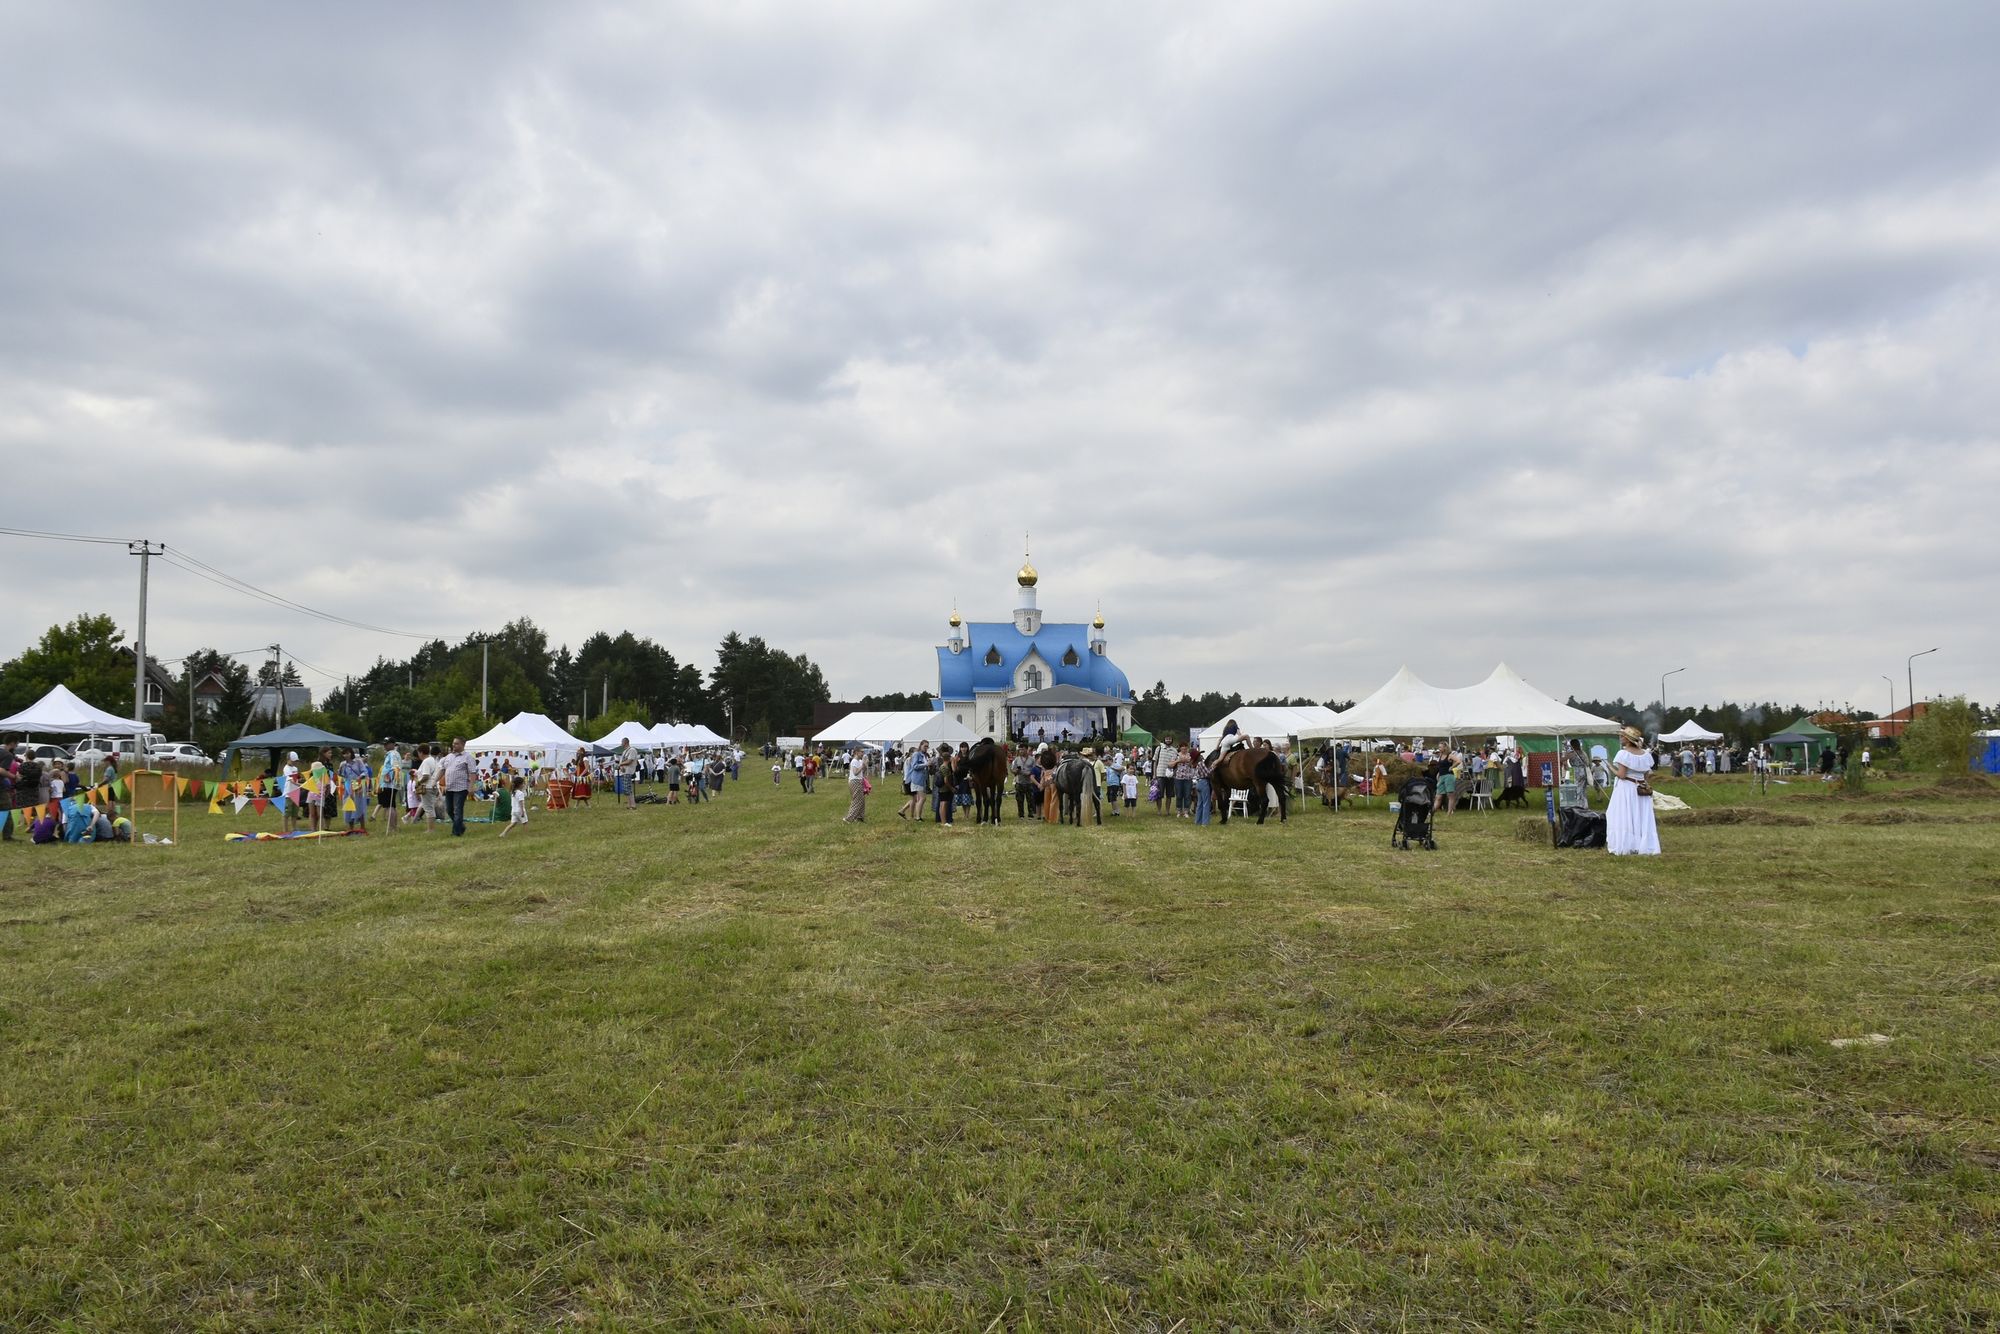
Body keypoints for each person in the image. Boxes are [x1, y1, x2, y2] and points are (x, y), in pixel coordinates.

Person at [1607, 724, 1662, 856]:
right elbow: (1646, 775)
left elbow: (1621, 775)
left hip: (1626, 788)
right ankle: (1641, 844)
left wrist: (1610, 767)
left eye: (1622, 736)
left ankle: (1627, 844)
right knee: (1640, 816)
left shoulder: (1623, 754)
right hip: (1641, 788)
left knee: (1625, 815)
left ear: (1628, 739)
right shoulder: (1645, 755)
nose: (1620, 738)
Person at [438, 738, 475, 836]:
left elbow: (472, 773)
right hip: (449, 787)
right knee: (449, 810)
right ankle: (460, 826)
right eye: (453, 743)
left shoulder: (468, 757)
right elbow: (442, 770)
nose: (454, 745)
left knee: (458, 810)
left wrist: (471, 787)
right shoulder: (449, 757)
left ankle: (456, 832)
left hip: (461, 788)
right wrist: (435, 781)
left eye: (456, 744)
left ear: (463, 744)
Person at [377, 744, 405, 834]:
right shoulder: (392, 753)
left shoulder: (393, 754)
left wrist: (392, 777)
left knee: (389, 806)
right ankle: (394, 826)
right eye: (384, 744)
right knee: (392, 805)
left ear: (392, 744)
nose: (385, 746)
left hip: (389, 783)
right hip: (390, 783)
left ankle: (392, 827)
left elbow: (395, 767)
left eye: (387, 744)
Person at [899, 741, 929, 822]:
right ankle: (917, 817)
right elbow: (915, 766)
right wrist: (926, 765)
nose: (926, 748)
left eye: (927, 746)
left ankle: (916, 816)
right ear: (921, 745)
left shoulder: (923, 755)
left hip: (921, 779)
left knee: (919, 799)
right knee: (921, 798)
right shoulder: (916, 754)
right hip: (916, 779)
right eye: (925, 746)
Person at [842, 746, 868, 823]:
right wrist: (862, 766)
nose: (863, 754)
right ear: (856, 752)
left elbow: (862, 772)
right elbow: (855, 772)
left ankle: (860, 817)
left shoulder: (859, 761)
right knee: (857, 800)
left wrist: (865, 765)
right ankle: (848, 819)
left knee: (862, 800)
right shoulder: (854, 761)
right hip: (855, 781)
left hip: (859, 781)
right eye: (861, 752)